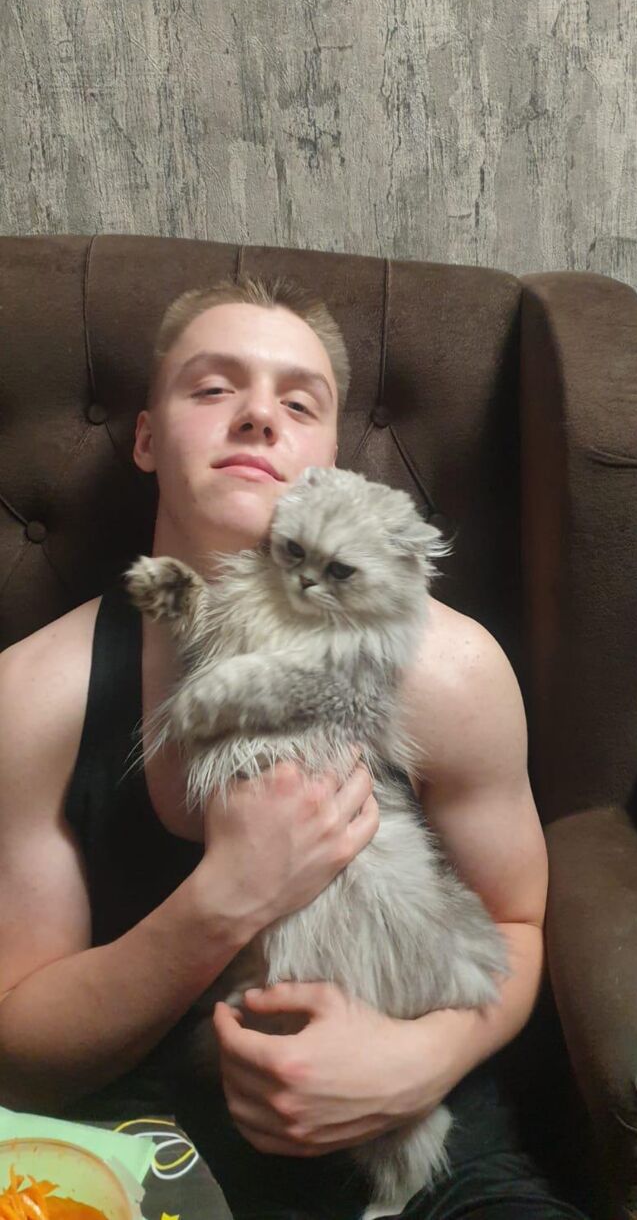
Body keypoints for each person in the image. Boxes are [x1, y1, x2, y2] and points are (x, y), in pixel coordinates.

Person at [0, 276, 589, 1220]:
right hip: (149, 1154)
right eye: (213, 387)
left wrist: (416, 1059)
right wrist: (229, 897)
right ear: (146, 439)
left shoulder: (452, 671)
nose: (259, 416)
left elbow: (519, 925)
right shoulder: (34, 695)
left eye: (300, 403)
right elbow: (21, 1050)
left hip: (434, 1156)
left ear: (328, 462)